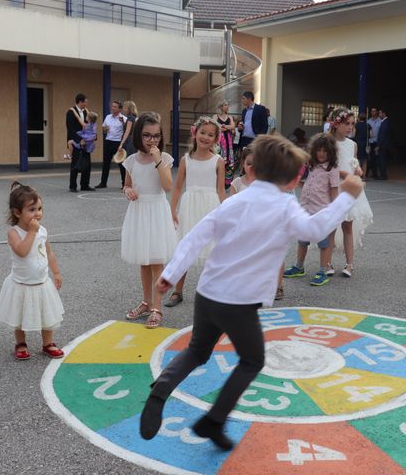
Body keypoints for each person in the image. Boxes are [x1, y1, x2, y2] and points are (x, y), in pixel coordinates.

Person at [139, 134, 363, 449]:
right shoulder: (286, 205)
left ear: (253, 169)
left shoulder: (235, 200)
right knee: (252, 361)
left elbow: (196, 236)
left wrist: (171, 274)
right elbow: (314, 230)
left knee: (197, 351)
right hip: (239, 304)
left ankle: (162, 388)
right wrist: (347, 196)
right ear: (296, 178)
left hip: (208, 293)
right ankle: (213, 421)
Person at [121, 112, 177, 328]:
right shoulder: (131, 160)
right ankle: (146, 301)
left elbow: (167, 185)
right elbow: (127, 184)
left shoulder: (164, 159)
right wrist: (128, 191)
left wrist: (157, 159)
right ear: (139, 136)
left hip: (156, 211)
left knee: (156, 262)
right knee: (144, 261)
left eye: (156, 136)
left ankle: (157, 307)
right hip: (139, 212)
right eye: (147, 135)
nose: (152, 140)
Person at [0, 181, 65, 360]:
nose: (38, 213)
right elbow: (21, 251)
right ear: (17, 212)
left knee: (47, 314)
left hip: (42, 282)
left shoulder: (42, 231)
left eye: (40, 208)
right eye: (32, 209)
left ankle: (48, 343)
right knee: (19, 315)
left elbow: (49, 253)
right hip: (21, 283)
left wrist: (56, 272)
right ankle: (21, 343)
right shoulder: (14, 233)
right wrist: (32, 233)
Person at [165, 117, 226, 308]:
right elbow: (177, 187)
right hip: (189, 206)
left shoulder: (218, 161)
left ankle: (211, 292)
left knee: (212, 250)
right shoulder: (186, 160)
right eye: (203, 133)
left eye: (210, 135)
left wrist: (226, 213)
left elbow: (221, 190)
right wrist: (172, 209)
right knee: (185, 247)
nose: (205, 137)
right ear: (195, 133)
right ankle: (177, 291)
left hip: (210, 206)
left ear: (216, 140)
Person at [283, 133, 340, 286]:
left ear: (331, 152)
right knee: (302, 240)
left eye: (325, 151)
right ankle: (299, 267)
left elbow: (334, 191)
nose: (321, 154)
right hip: (306, 210)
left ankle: (323, 270)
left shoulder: (332, 169)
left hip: (321, 212)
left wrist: (335, 212)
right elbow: (304, 181)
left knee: (324, 243)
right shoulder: (311, 166)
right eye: (319, 150)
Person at [331, 108, 373, 278]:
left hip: (349, 188)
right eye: (346, 123)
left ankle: (350, 263)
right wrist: (344, 173)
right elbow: (329, 166)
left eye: (352, 124)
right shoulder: (329, 143)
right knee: (332, 225)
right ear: (336, 123)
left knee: (348, 225)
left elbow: (353, 162)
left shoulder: (352, 144)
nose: (349, 127)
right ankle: (327, 261)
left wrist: (357, 170)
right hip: (335, 186)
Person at [96, 101, 127, 189]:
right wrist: (105, 129)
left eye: (115, 107)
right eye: (112, 106)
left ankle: (124, 183)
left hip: (118, 143)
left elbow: (128, 130)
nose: (112, 108)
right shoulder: (108, 117)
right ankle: (103, 183)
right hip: (108, 141)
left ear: (120, 109)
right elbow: (104, 129)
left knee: (121, 164)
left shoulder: (123, 118)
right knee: (106, 163)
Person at [67, 93, 94, 192]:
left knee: (87, 163)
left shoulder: (86, 112)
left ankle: (85, 185)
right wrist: (79, 140)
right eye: (85, 102)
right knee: (75, 163)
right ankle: (72, 186)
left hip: (86, 142)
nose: (86, 104)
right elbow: (70, 129)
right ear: (80, 102)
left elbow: (90, 125)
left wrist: (92, 137)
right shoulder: (70, 112)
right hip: (76, 142)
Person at [216, 101, 236, 190]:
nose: (227, 107)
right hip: (219, 140)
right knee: (219, 157)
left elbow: (233, 126)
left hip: (228, 140)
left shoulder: (230, 117)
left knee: (229, 159)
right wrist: (226, 127)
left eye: (228, 105)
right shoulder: (216, 116)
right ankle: (217, 181)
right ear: (221, 107)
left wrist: (223, 126)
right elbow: (216, 126)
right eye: (225, 105)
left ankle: (227, 182)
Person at [366, 107, 382, 178]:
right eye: (372, 111)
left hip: (377, 142)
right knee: (371, 158)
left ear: (377, 112)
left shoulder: (380, 121)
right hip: (370, 142)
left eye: (374, 111)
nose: (373, 112)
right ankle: (373, 173)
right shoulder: (368, 121)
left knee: (376, 159)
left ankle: (373, 173)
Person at [354, 113, 370, 179]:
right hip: (365, 144)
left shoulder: (356, 125)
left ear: (359, 118)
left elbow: (353, 134)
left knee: (357, 160)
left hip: (358, 143)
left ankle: (358, 175)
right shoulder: (367, 125)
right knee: (364, 161)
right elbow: (372, 135)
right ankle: (364, 176)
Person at [376, 108, 390, 180]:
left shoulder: (385, 122)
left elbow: (383, 134)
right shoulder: (384, 122)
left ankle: (383, 175)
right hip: (383, 144)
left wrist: (378, 145)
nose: (379, 114)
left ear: (384, 114)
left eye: (380, 113)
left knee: (382, 160)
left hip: (383, 145)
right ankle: (382, 174)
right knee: (381, 159)